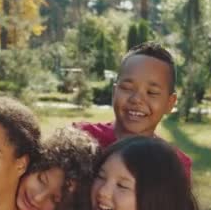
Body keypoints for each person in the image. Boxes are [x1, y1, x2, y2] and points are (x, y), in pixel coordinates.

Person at [74, 42, 192, 178]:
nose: (136, 99)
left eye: (152, 92)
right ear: (114, 92)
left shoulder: (175, 165)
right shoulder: (82, 139)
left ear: (170, 103)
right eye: (127, 88)